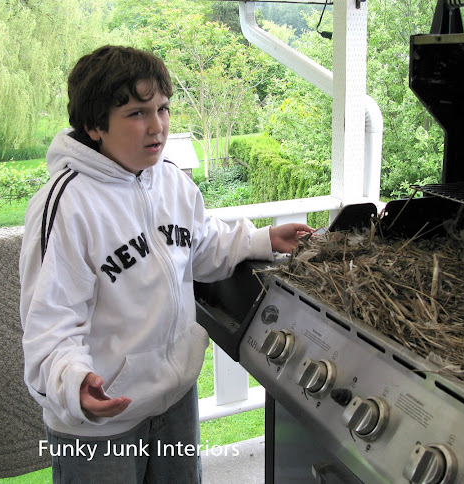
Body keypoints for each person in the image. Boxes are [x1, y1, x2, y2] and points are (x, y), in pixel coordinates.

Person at [19, 45, 312, 483]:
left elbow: (201, 246)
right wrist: (73, 382)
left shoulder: (172, 180)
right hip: (101, 423)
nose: (157, 126)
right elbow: (49, 322)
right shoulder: (66, 206)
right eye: (137, 113)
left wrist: (262, 239)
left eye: (163, 108)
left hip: (174, 399)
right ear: (95, 125)